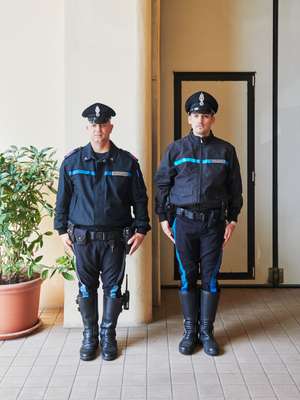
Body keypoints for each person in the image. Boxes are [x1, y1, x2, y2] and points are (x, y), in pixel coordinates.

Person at [54, 102, 150, 361]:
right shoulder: (72, 162)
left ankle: (108, 336)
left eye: (103, 124)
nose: (98, 129)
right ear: (87, 127)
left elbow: (140, 199)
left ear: (111, 126)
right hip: (82, 240)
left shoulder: (127, 162)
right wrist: (61, 230)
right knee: (86, 289)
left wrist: (141, 229)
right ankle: (90, 336)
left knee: (113, 290)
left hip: (115, 241)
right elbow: (62, 200)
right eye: (94, 124)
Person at [155, 91, 243, 356]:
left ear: (213, 119)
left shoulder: (226, 150)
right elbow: (162, 184)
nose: (200, 120)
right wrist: (162, 218)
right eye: (195, 115)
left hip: (214, 225)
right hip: (183, 223)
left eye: (205, 115)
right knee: (186, 277)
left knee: (211, 278)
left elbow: (235, 188)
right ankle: (189, 331)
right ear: (188, 118)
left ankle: (206, 332)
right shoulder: (176, 149)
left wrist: (233, 219)